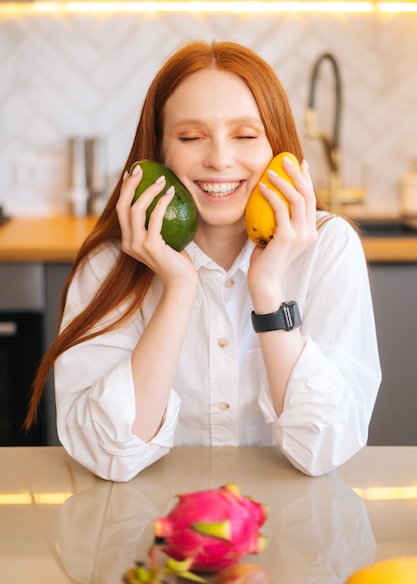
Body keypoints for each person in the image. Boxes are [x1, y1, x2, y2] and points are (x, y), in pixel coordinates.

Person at [26, 40, 381, 482]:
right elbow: (108, 455)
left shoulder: (329, 250)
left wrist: (267, 290)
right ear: (159, 152)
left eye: (245, 136)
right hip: (149, 535)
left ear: (278, 148)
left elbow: (325, 448)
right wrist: (178, 290)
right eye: (191, 137)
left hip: (295, 535)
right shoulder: (108, 265)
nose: (218, 159)